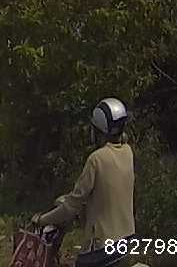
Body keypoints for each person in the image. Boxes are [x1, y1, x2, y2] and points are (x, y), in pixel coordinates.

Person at [33, 97, 136, 267]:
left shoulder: (96, 159)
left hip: (103, 246)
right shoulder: (127, 152)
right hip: (127, 240)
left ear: (98, 130)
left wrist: (41, 220)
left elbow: (70, 207)